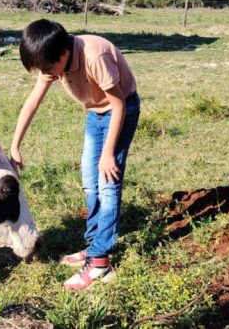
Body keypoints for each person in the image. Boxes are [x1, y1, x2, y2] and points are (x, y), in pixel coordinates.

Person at [10, 19, 140, 291]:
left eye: (48, 68)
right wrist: (15, 145)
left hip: (121, 111)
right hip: (96, 113)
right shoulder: (52, 59)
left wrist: (108, 154)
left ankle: (100, 263)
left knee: (107, 183)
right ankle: (94, 246)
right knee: (89, 181)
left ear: (64, 54)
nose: (48, 74)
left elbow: (118, 106)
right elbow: (33, 101)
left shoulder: (95, 56)